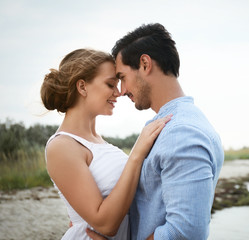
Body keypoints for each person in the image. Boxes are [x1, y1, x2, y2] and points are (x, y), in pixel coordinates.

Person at [87, 23, 224, 240]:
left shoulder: (182, 133)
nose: (121, 91)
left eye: (122, 77)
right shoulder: (172, 124)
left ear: (144, 64)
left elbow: (186, 233)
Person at [41, 48, 171, 239]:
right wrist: (137, 153)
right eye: (111, 84)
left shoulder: (100, 142)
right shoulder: (61, 146)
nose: (118, 93)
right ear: (82, 87)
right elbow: (105, 224)